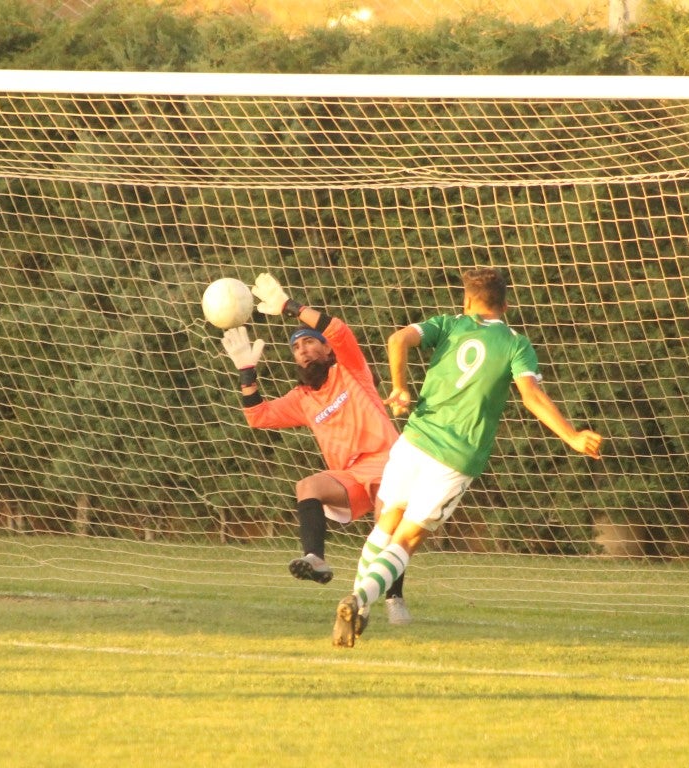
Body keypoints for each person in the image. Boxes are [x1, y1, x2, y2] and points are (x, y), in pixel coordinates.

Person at [332, 266, 604, 647]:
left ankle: (360, 605)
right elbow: (532, 396)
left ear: (467, 301)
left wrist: (400, 388)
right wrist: (572, 436)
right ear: (505, 306)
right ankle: (359, 600)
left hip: (415, 439)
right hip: (457, 456)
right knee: (407, 540)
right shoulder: (515, 344)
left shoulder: (447, 324)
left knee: (385, 524)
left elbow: (398, 340)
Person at [220, 272, 412, 624]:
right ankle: (316, 559)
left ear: (325, 349)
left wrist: (289, 307)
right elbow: (258, 416)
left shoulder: (350, 371)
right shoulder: (302, 398)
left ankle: (394, 598)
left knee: (385, 523)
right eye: (297, 347)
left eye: (310, 342)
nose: (304, 350)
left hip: (390, 462)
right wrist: (247, 370)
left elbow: (340, 329)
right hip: (350, 475)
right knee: (307, 487)